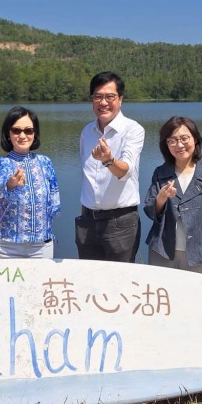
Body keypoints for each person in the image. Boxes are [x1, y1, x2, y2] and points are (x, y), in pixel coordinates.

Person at [144, 116, 202, 274]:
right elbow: (151, 212)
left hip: (199, 252)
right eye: (172, 140)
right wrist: (162, 198)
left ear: (196, 139)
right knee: (163, 296)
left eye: (184, 138)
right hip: (163, 250)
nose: (179, 145)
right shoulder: (161, 173)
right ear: (166, 144)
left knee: (196, 297)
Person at [76, 72, 145, 263]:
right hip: (87, 221)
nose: (103, 102)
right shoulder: (87, 132)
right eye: (98, 96)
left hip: (120, 223)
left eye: (110, 97)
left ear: (120, 100)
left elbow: (125, 171)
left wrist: (108, 160)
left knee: (120, 283)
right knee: (89, 281)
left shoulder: (133, 130)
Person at [0, 106, 61, 258]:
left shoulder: (45, 162)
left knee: (41, 282)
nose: (22, 135)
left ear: (34, 133)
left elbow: (53, 198)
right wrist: (9, 185)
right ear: (8, 134)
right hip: (6, 247)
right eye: (16, 130)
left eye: (28, 130)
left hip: (41, 245)